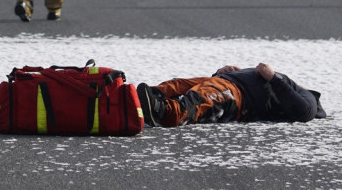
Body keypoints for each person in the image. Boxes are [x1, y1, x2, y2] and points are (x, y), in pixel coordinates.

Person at [137, 63, 326, 127]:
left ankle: (165, 112)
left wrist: (273, 77)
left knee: (200, 100)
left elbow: (304, 112)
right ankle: (143, 100)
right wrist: (226, 72)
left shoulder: (309, 98)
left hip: (238, 97)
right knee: (175, 85)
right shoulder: (287, 87)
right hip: (226, 82)